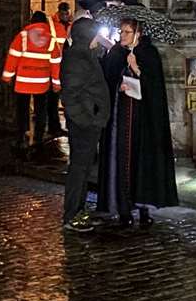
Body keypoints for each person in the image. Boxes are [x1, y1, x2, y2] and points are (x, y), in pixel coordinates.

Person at [98, 18, 178, 225]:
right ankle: (124, 208)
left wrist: (138, 69)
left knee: (142, 163)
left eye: (127, 32)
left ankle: (144, 208)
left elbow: (155, 87)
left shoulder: (148, 54)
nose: (122, 35)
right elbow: (106, 80)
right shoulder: (115, 53)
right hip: (121, 119)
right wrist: (118, 86)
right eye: (121, 31)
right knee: (122, 162)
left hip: (144, 121)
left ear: (138, 34)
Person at [59, 17, 113, 232]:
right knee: (79, 169)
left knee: (84, 169)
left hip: (90, 123)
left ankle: (79, 211)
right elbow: (70, 95)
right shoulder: (77, 58)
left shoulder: (85, 55)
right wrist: (88, 121)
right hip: (84, 125)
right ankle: (72, 214)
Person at [2, 11, 64, 154]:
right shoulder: (51, 40)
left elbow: (13, 56)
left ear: (32, 21)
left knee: (22, 109)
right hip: (41, 82)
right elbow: (56, 63)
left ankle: (21, 136)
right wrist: (56, 84)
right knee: (40, 109)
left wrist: (7, 75)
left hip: (23, 81)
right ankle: (39, 136)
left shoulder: (22, 36)